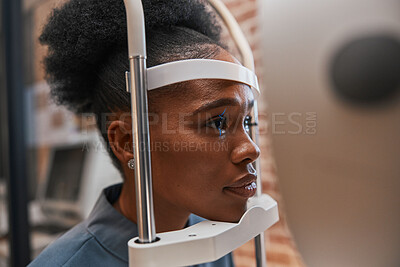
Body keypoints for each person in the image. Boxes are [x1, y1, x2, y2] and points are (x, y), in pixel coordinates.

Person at [29, 0, 260, 266]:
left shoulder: (213, 243)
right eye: (217, 122)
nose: (252, 149)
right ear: (128, 141)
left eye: (246, 122)